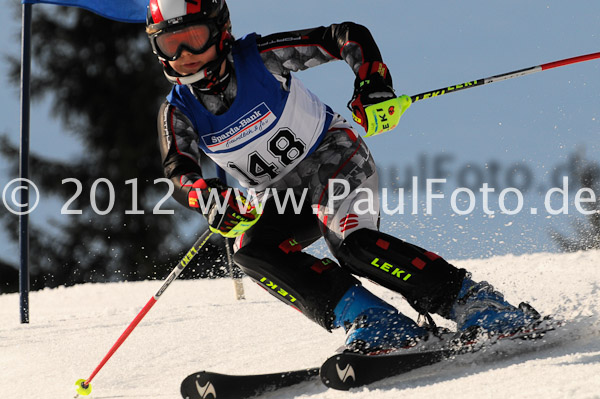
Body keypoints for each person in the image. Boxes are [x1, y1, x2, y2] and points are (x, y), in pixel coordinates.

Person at [147, 0, 540, 354]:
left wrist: (372, 82)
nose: (184, 56)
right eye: (170, 45)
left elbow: (344, 36)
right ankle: (374, 321)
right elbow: (179, 171)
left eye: (194, 39)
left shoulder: (260, 58)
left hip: (333, 160)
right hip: (281, 196)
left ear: (220, 30)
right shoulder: (177, 111)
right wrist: (207, 197)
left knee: (351, 244)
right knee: (251, 249)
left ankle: (475, 301)